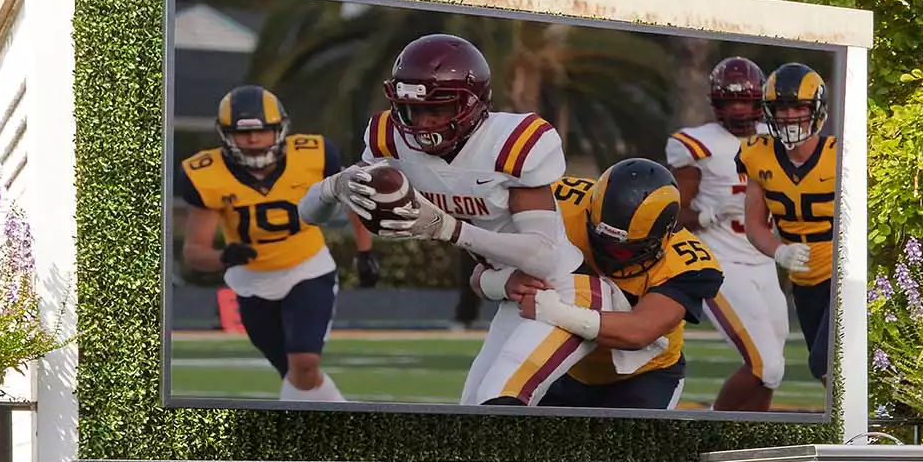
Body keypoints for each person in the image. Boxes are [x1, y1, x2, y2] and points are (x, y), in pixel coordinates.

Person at [301, 33, 581, 405]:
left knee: (497, 399)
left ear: (473, 104)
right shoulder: (391, 139)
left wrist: (447, 228)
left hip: (565, 290)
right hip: (516, 291)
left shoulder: (511, 143)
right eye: (412, 109)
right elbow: (307, 215)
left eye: (439, 108)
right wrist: (334, 186)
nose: (423, 121)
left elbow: (544, 257)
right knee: (471, 409)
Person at [175, 84, 373, 402]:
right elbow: (194, 253)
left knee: (304, 363)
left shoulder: (313, 154)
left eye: (263, 131)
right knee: (297, 375)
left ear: (279, 130)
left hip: (308, 269)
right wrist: (225, 257)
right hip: (251, 283)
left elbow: (350, 199)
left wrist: (365, 252)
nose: (254, 140)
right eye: (243, 134)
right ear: (226, 135)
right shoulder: (206, 174)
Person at [481, 158, 725, 409]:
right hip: (565, 365)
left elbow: (639, 331)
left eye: (623, 251)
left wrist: (554, 311)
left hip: (642, 374)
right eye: (600, 241)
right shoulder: (557, 204)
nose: (608, 254)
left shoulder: (688, 261)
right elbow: (479, 274)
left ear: (663, 236)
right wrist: (501, 282)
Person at [665, 55, 789, 410]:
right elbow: (669, 214)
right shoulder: (696, 144)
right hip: (721, 264)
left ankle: (750, 436)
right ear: (716, 103)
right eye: (730, 101)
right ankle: (716, 428)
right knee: (766, 364)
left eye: (745, 100)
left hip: (763, 263)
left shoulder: (778, 138)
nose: (737, 109)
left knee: (772, 370)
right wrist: (709, 215)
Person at [737, 62, 839, 398]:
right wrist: (780, 251)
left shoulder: (840, 156)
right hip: (804, 281)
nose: (789, 115)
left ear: (817, 110)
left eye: (798, 106)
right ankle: (862, 428)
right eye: (781, 107)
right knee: (824, 371)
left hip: (842, 277)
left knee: (826, 363)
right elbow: (754, 225)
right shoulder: (757, 155)